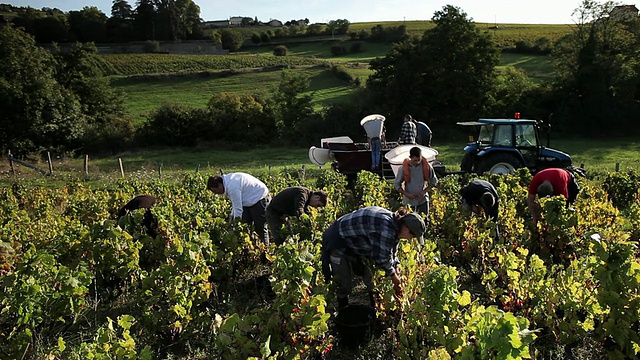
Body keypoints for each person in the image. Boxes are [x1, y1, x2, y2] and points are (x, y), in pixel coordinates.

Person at [321, 206, 426, 309]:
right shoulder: (386, 228)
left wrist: (396, 264)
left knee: (371, 278)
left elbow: (392, 249)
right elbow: (382, 259)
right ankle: (343, 310)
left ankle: (375, 306)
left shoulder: (395, 224)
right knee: (344, 283)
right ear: (406, 229)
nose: (410, 239)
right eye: (412, 236)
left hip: (355, 240)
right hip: (337, 240)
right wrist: (395, 278)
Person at [207, 172, 271, 244]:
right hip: (248, 199)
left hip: (260, 197)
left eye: (215, 191)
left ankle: (265, 250)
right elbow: (235, 205)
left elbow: (238, 209)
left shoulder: (232, 187)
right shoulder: (227, 182)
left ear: (219, 185)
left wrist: (235, 227)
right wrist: (231, 219)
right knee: (245, 226)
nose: (216, 193)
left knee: (260, 228)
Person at [394, 146, 438, 215]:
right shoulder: (402, 169)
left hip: (423, 201)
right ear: (410, 157)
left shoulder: (427, 166)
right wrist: (406, 194)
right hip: (408, 202)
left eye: (419, 160)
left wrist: (424, 191)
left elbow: (434, 181)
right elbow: (397, 185)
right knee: (409, 224)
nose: (417, 162)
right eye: (415, 160)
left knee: (424, 222)